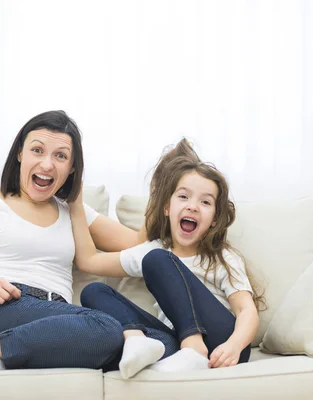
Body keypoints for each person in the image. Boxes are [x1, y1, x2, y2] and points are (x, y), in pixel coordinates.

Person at [0, 110, 145, 380]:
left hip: (59, 318)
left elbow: (137, 244)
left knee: (158, 339)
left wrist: (169, 191)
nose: (47, 164)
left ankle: (4, 358)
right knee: (107, 329)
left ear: (72, 168)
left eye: (60, 156)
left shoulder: (73, 211)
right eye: (37, 150)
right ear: (20, 154)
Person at [69, 138, 265, 379]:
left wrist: (234, 345)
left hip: (221, 343)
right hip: (175, 343)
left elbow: (246, 310)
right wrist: (74, 204)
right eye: (183, 197)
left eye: (205, 202)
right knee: (94, 291)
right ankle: (139, 341)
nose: (193, 206)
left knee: (157, 259)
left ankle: (194, 347)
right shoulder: (153, 249)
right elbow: (88, 262)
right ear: (166, 208)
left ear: (214, 219)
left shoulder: (221, 257)